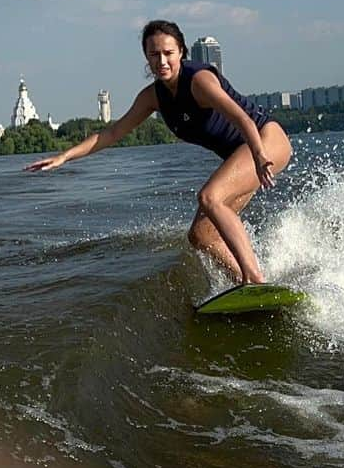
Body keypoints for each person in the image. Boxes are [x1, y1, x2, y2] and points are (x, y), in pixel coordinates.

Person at [25, 20, 292, 285]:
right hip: (243, 155)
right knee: (202, 236)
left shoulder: (199, 81)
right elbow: (112, 133)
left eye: (168, 53)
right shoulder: (153, 97)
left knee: (210, 196)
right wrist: (64, 156)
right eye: (154, 54)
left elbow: (242, 118)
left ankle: (254, 279)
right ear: (146, 58)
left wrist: (258, 155)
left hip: (265, 142)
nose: (161, 61)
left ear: (182, 53)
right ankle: (246, 288)